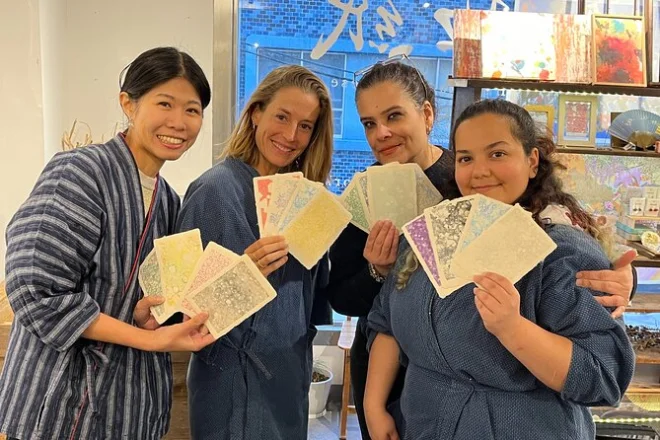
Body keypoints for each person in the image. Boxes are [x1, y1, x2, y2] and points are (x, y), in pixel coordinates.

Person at [321, 60, 637, 439]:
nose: (479, 171)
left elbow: (603, 372)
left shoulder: (555, 242)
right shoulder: (436, 222)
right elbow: (380, 313)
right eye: (369, 123)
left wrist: (514, 327)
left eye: (497, 154)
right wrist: (374, 404)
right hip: (414, 416)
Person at [0, 47, 215, 440]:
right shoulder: (80, 173)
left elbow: (134, 292)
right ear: (128, 104)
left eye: (192, 110)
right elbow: (36, 289)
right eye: (164, 103)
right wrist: (149, 339)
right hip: (57, 406)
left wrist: (143, 316)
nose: (179, 122)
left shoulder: (168, 201)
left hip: (127, 408)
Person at [177, 65, 334, 439]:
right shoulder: (214, 192)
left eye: (306, 126)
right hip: (231, 385)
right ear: (256, 113)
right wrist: (244, 274)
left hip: (288, 380)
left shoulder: (305, 200)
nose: (291, 135)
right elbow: (184, 314)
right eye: (282, 117)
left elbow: (311, 304)